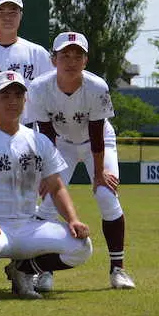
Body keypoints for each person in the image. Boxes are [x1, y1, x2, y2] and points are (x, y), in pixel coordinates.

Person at [0, 71, 93, 301]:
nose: (12, 101)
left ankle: (25, 270)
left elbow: (56, 186)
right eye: (5, 95)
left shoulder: (39, 140)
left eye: (18, 95)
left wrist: (73, 220)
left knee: (81, 247)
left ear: (25, 100)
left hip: (30, 225)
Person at [25, 32, 134, 290]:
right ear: (54, 60)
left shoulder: (96, 87)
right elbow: (46, 133)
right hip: (60, 144)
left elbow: (96, 132)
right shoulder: (40, 87)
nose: (71, 61)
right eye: (65, 55)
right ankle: (44, 270)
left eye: (78, 55)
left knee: (106, 195)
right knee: (49, 202)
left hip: (98, 143)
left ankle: (118, 269)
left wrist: (98, 175)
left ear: (86, 60)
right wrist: (47, 175)